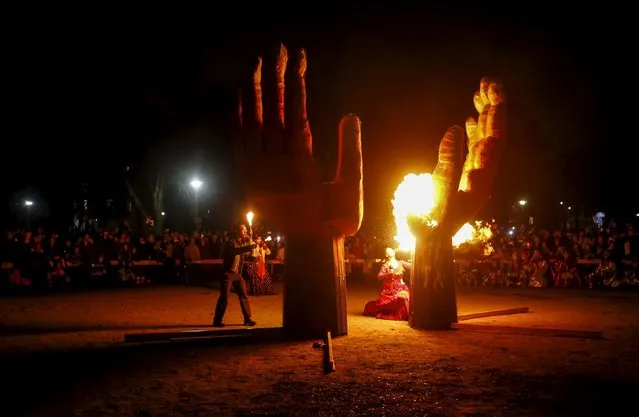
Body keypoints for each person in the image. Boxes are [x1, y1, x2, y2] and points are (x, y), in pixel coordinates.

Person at [213, 224, 257, 327]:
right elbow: (235, 252)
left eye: (246, 230)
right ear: (238, 231)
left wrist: (252, 254)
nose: (245, 231)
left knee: (244, 296)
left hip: (237, 274)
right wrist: (248, 247)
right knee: (224, 298)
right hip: (228, 273)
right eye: (243, 230)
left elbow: (246, 254)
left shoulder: (242, 243)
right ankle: (217, 320)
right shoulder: (231, 243)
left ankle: (247, 318)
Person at [363, 248, 411, 321]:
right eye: (388, 251)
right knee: (399, 300)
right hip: (389, 289)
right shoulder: (385, 265)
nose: (391, 251)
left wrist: (413, 259)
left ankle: (406, 314)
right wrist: (388, 273)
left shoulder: (400, 263)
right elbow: (379, 276)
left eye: (391, 250)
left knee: (404, 298)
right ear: (387, 255)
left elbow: (412, 266)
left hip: (401, 287)